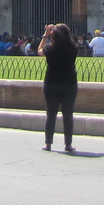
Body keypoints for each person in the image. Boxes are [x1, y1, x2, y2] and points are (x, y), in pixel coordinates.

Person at [39, 22, 79, 152]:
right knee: (68, 115)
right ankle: (68, 144)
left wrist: (46, 35)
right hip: (69, 83)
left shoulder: (50, 48)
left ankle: (48, 143)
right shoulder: (73, 48)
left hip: (51, 83)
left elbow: (39, 51)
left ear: (54, 35)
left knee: (51, 114)